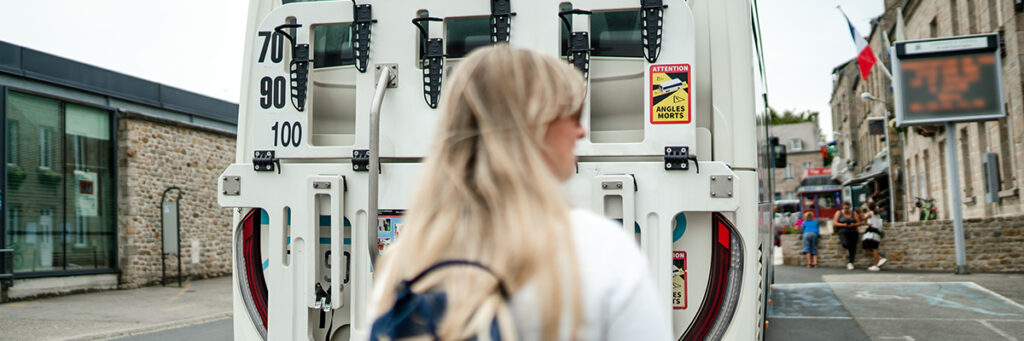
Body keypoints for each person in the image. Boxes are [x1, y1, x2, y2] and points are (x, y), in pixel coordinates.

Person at [366, 46, 672, 340]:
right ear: (534, 126)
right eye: (574, 115)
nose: (582, 132)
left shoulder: (404, 258)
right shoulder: (598, 249)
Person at [833, 201, 861, 270]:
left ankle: (851, 262)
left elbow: (858, 222)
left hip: (853, 231)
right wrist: (843, 225)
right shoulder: (839, 213)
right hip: (843, 231)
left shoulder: (853, 213)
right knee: (845, 243)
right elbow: (835, 223)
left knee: (853, 246)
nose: (846, 210)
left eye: (847, 208)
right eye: (845, 208)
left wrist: (853, 224)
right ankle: (848, 254)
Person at [860, 205, 888, 271]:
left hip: (871, 232)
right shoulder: (877, 215)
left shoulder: (870, 213)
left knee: (873, 248)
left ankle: (876, 265)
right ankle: (880, 258)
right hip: (876, 233)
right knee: (868, 248)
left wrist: (866, 223)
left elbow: (864, 218)